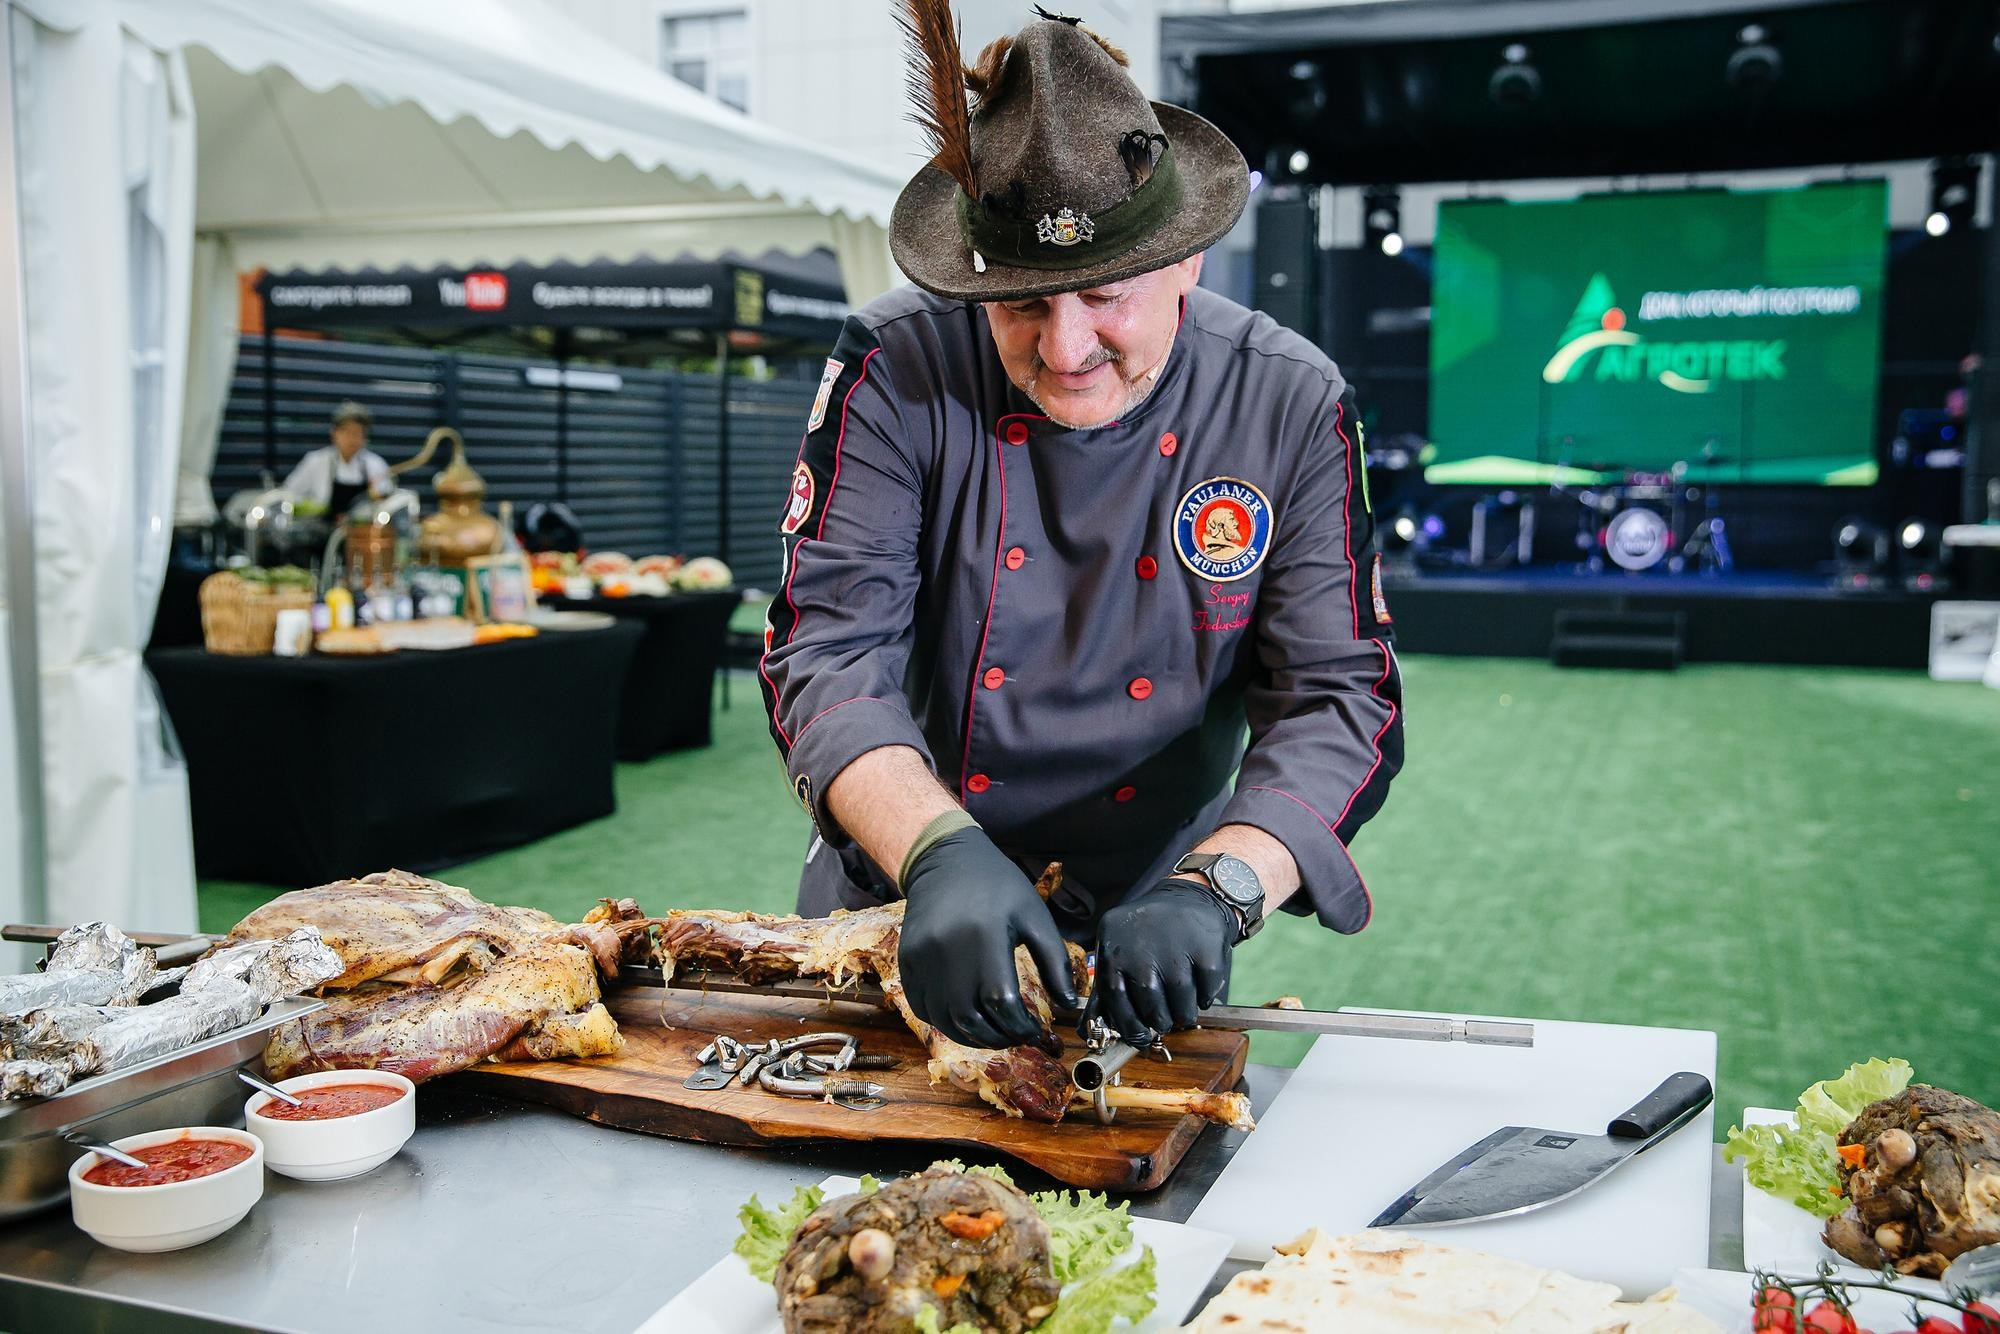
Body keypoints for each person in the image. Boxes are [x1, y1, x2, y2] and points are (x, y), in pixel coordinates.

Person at [758, 7, 1403, 1053]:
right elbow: (825, 646)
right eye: (1020, 306)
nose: (1065, 351)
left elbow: (1338, 696)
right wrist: (934, 849)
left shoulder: (1289, 401)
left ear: (1187, 261)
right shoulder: (894, 363)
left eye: (1104, 296)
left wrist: (1222, 882)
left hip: (1153, 911)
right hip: (905, 896)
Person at [284, 401, 390, 516]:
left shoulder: (376, 464)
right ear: (334, 433)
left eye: (357, 433)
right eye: (347, 432)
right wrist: (310, 507)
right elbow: (287, 495)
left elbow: (387, 502)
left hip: (362, 527)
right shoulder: (315, 461)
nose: (352, 439)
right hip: (320, 526)